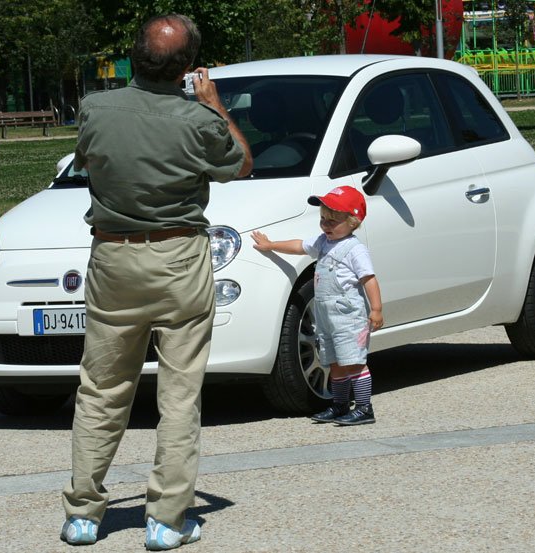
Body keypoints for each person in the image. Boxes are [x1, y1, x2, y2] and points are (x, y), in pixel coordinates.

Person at [59, 14, 252, 550]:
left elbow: (90, 159)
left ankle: (83, 515)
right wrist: (213, 103)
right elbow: (240, 164)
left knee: (100, 389)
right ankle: (166, 520)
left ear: (134, 55)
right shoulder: (198, 119)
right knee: (179, 394)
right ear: (188, 68)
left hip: (113, 258)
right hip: (178, 257)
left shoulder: (95, 108)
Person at [251, 185, 384, 425]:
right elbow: (299, 245)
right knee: (334, 362)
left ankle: (364, 408)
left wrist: (376, 309)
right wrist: (271, 245)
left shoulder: (355, 249)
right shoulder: (323, 242)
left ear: (353, 222)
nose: (326, 225)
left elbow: (368, 279)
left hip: (348, 315)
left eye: (333, 221)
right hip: (325, 315)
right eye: (323, 219)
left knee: (353, 361)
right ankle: (340, 405)